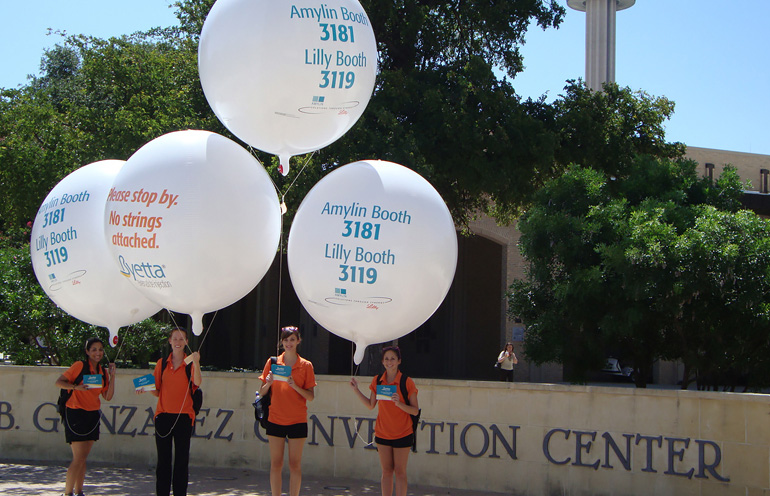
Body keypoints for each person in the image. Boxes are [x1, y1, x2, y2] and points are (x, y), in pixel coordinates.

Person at [138, 327, 201, 496]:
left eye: (181, 339)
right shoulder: (161, 363)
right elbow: (157, 390)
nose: (178, 342)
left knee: (181, 461)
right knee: (163, 461)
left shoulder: (189, 363)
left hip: (184, 417)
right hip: (163, 416)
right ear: (170, 341)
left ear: (186, 342)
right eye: (175, 339)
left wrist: (196, 362)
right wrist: (145, 388)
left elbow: (197, 382)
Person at [349, 346, 419, 496]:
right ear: (382, 362)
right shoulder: (378, 380)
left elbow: (414, 410)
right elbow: (370, 405)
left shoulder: (407, 382)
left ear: (399, 361)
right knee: (386, 472)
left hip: (403, 433)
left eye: (393, 358)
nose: (389, 362)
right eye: (386, 359)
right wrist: (356, 390)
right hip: (382, 433)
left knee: (400, 472)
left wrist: (400, 403)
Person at [258, 326, 316, 496]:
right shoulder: (273, 362)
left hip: (297, 420)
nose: (288, 343)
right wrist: (268, 382)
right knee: (276, 464)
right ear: (281, 342)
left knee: (294, 464)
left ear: (299, 341)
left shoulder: (306, 365)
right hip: (275, 419)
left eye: (292, 339)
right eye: (285, 340)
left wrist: (295, 386)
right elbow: (261, 392)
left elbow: (311, 397)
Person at [55, 337, 116, 496]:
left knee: (82, 458)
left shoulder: (102, 371)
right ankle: (67, 493)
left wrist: (112, 375)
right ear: (87, 351)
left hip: (92, 414)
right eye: (94, 349)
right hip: (75, 413)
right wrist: (76, 387)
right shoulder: (79, 366)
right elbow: (59, 382)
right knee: (78, 458)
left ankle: (79, 491)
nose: (98, 352)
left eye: (100, 349)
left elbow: (107, 396)